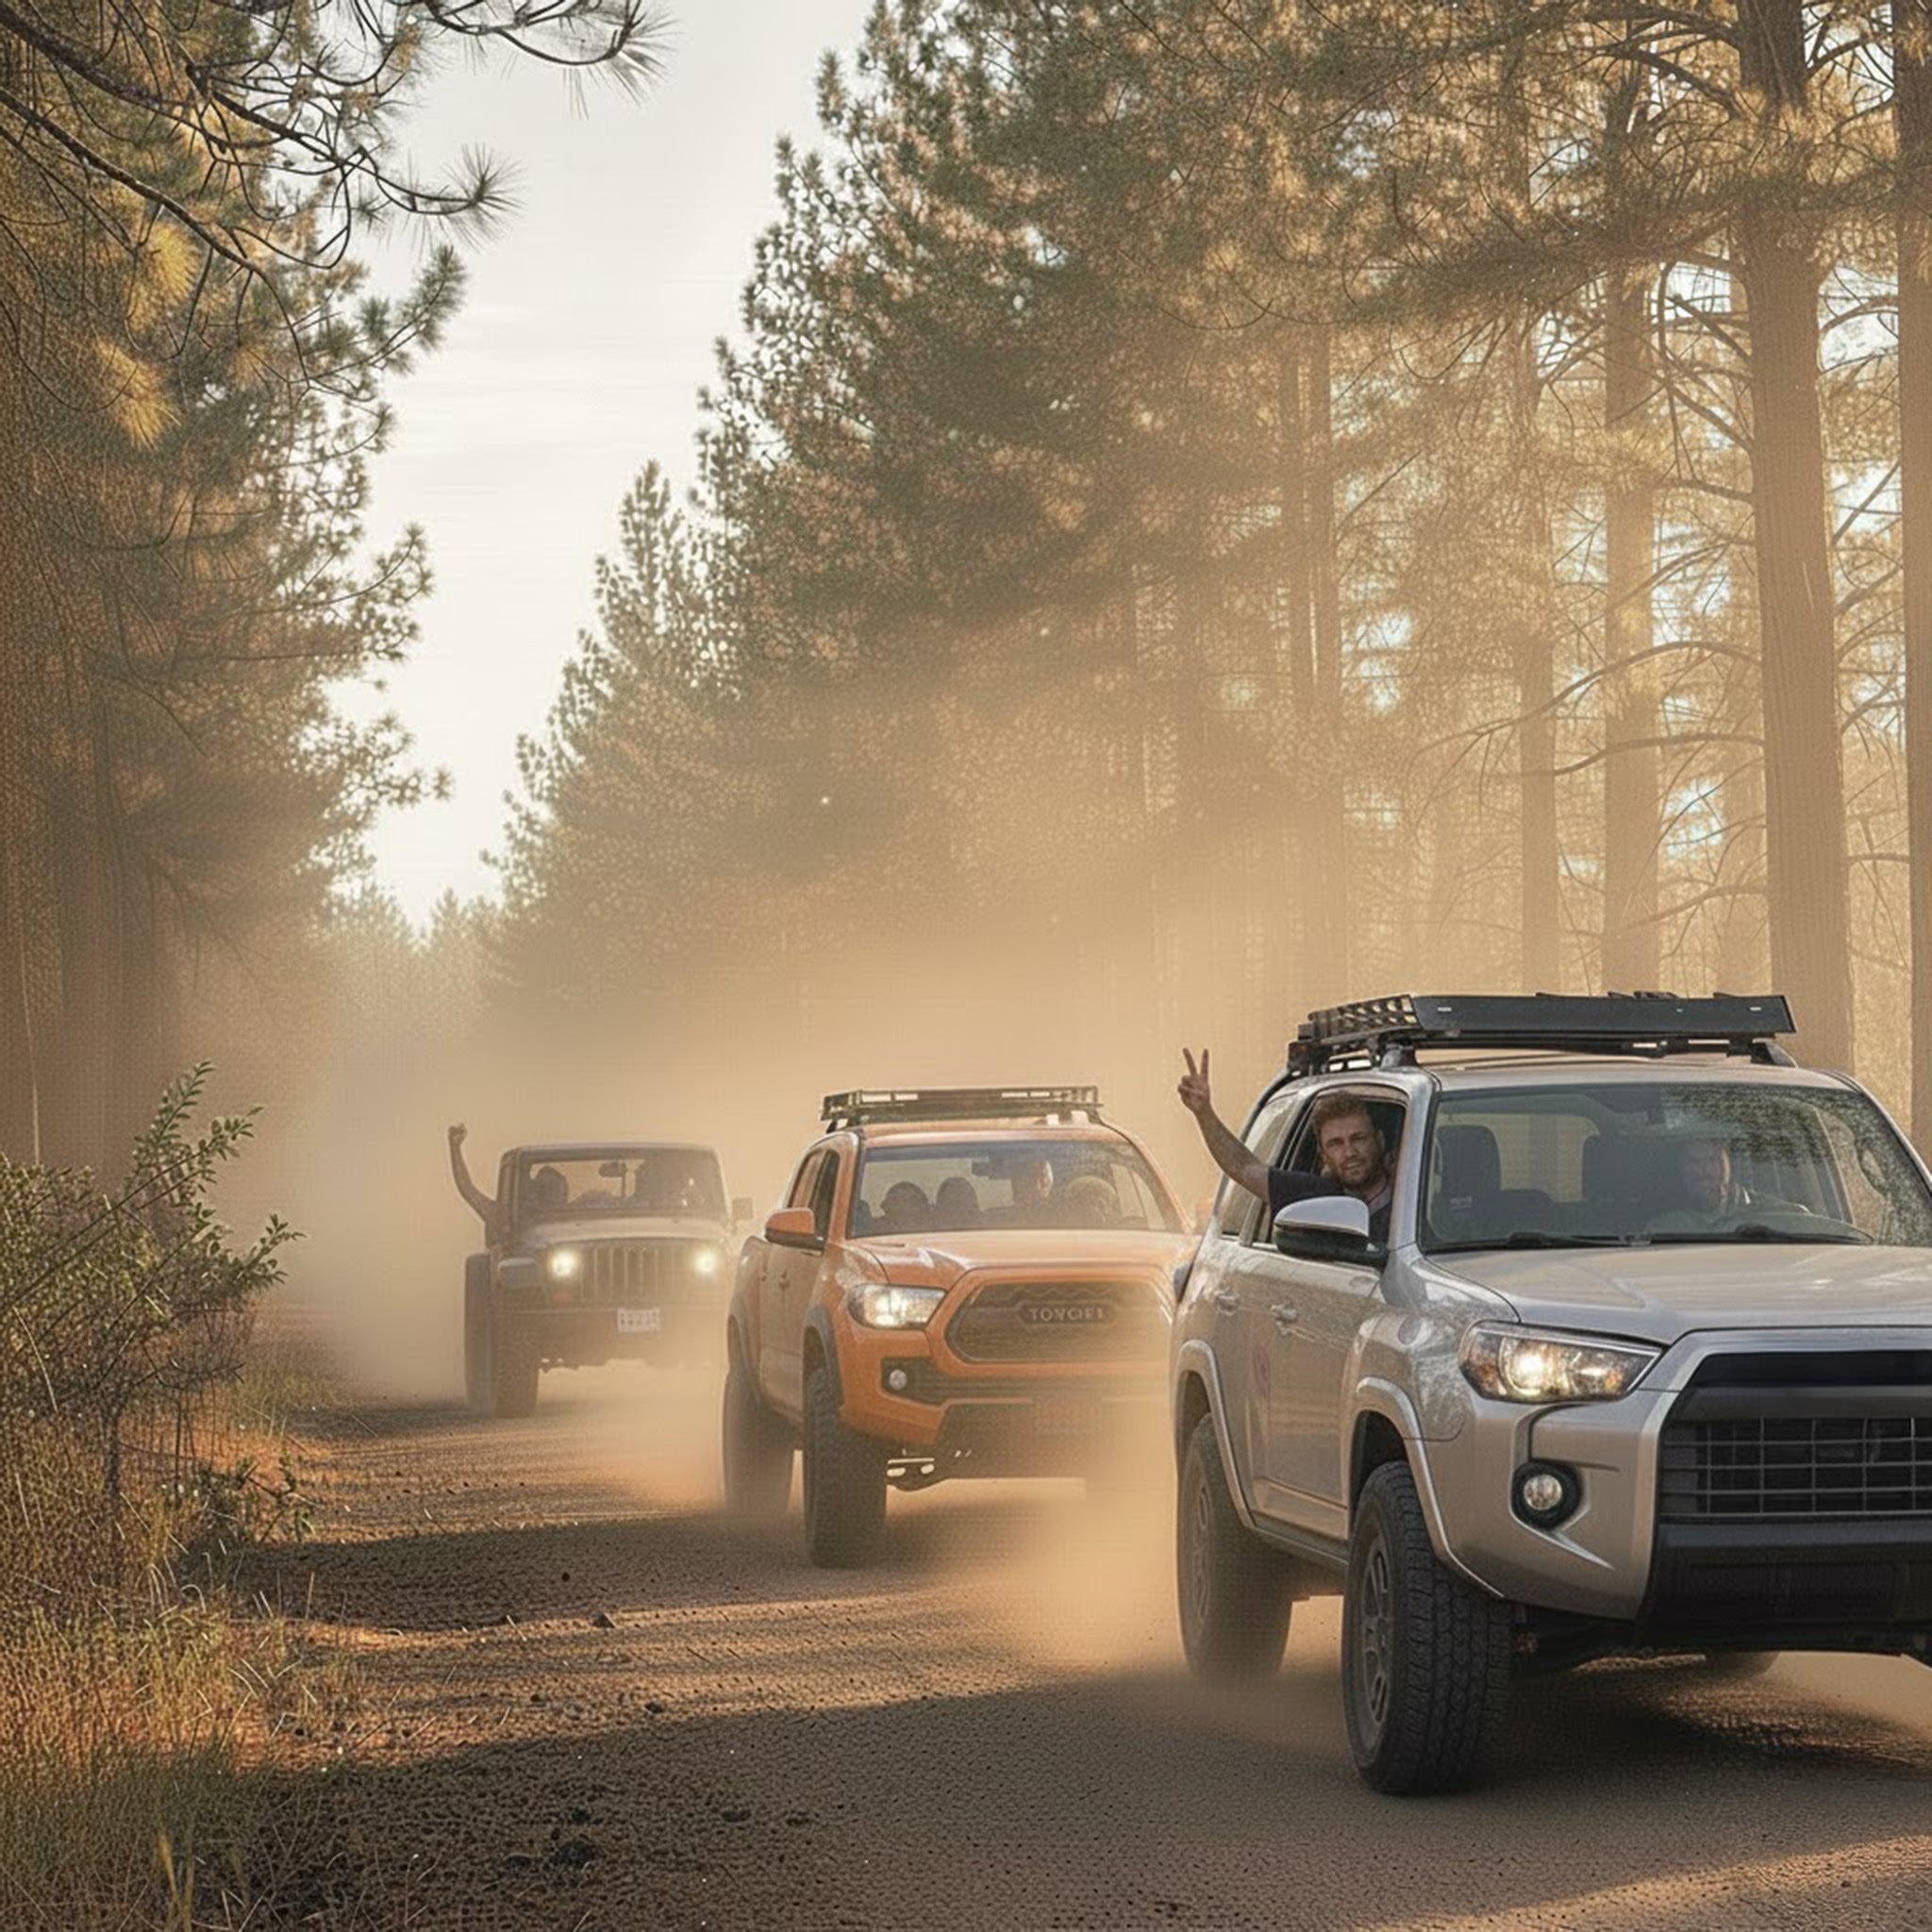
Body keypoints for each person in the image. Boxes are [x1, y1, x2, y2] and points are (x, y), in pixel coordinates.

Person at [1177, 1048, 1395, 1242]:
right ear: (1323, 1155)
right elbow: (1242, 1167)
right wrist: (1204, 1113)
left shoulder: (1417, 1198)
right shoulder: (1314, 1195)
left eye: (1358, 1138)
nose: (1349, 1152)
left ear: (1380, 1141)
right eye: (1335, 1144)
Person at [448, 1124, 501, 1241]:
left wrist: (455, 1148)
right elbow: (467, 1188)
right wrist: (455, 1149)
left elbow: (467, 1189)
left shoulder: (502, 1214)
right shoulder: (503, 1216)